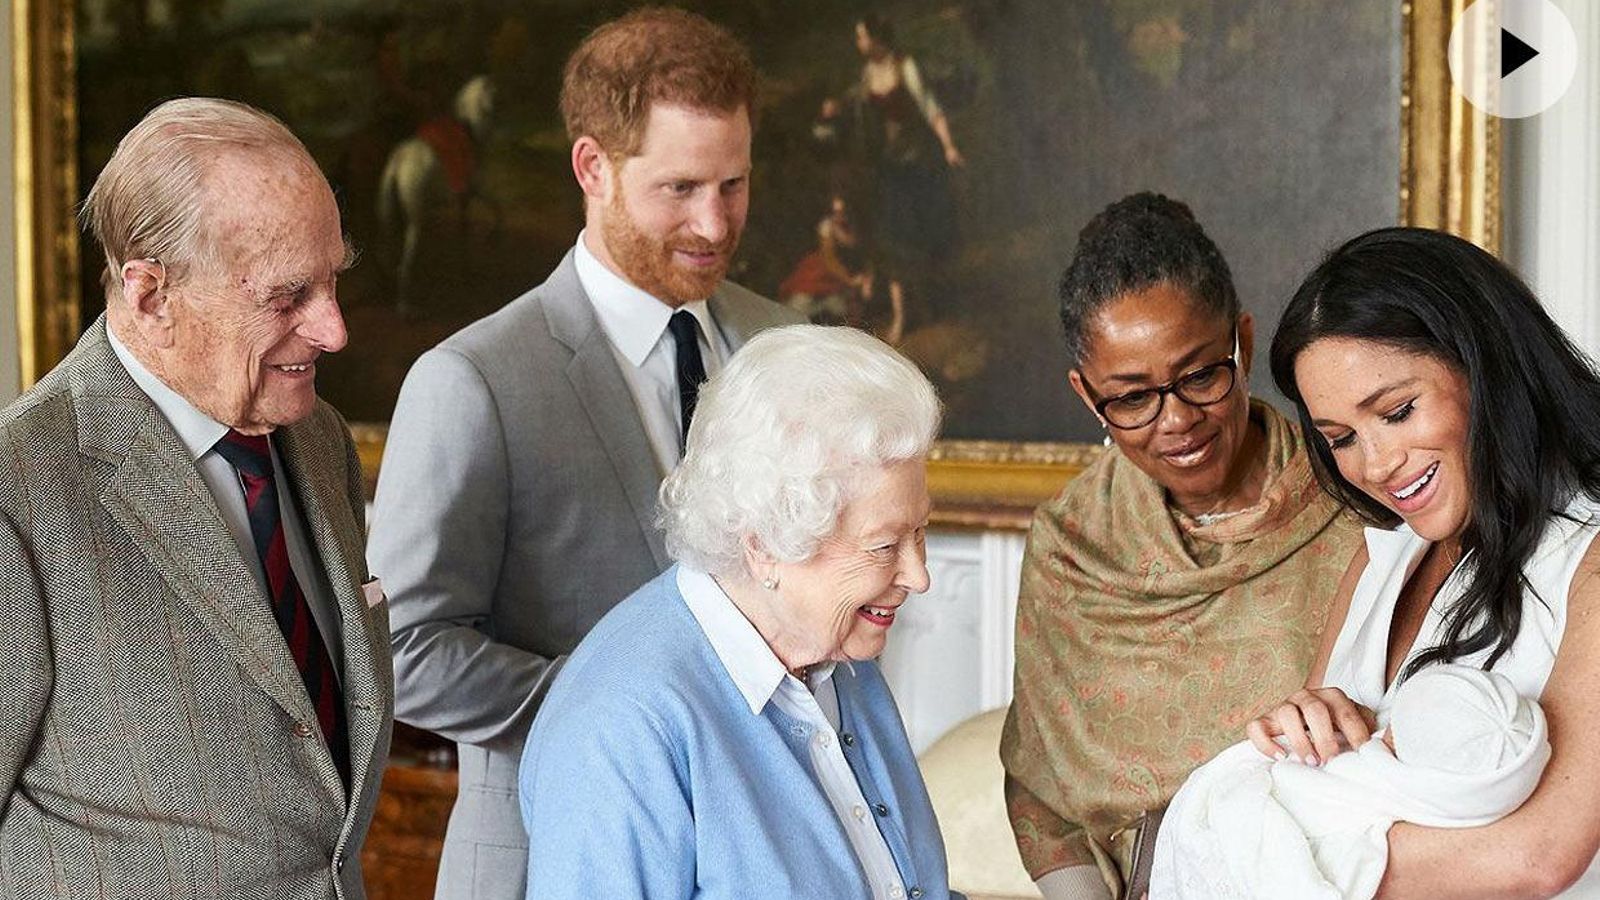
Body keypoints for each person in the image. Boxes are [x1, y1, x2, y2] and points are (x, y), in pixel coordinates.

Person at [366, 9, 803, 899]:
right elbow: (403, 653)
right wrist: (639, 703)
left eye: (734, 185)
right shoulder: (472, 381)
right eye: (680, 189)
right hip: (543, 862)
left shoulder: (785, 341)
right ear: (592, 168)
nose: (715, 225)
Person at [0, 97, 391, 898]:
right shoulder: (19, 495)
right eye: (287, 298)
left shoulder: (318, 441)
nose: (333, 330)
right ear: (150, 296)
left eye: (332, 282)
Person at [999, 193, 1364, 900]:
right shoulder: (1071, 547)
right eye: (1132, 398)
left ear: (1244, 344)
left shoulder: (1355, 504)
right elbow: (1041, 789)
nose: (1177, 422)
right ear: (1086, 395)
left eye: (1200, 376)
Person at [518, 324, 955, 899]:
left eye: (920, 533)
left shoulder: (840, 654)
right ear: (765, 544)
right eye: (884, 546)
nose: (917, 576)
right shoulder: (622, 726)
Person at [1252, 226, 1600, 897]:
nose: (1376, 465)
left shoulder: (1588, 555)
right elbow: (1328, 780)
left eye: (1398, 411)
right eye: (1341, 439)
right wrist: (1299, 732)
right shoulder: (1383, 552)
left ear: (1486, 365)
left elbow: (1541, 857)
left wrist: (1267, 839)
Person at [1154, 664, 1549, 899]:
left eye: (1394, 736)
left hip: (1253, 820)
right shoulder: (1379, 555)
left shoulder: (1375, 809)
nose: (1385, 732)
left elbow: (1289, 876)